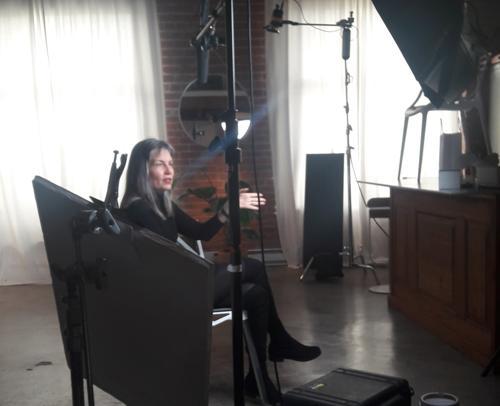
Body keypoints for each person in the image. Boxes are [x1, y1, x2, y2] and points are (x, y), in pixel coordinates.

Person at [121, 138, 321, 405]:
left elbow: (200, 232)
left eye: (171, 163)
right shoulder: (138, 208)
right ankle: (279, 341)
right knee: (254, 267)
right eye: (160, 164)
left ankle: (257, 376)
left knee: (257, 295)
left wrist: (229, 209)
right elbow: (162, 260)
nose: (169, 171)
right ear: (142, 170)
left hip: (183, 282)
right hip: (172, 296)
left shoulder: (161, 203)